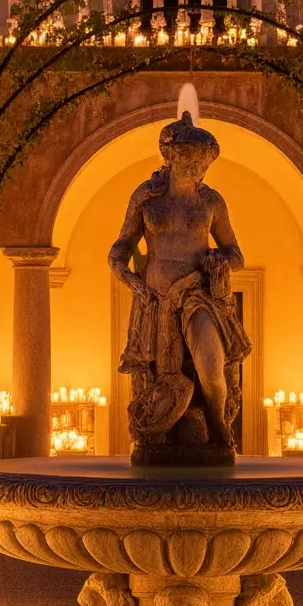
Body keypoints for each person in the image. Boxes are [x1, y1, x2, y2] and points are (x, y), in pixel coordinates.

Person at [109, 115, 250, 461]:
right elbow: (120, 248)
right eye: (190, 157)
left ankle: (218, 426)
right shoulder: (146, 198)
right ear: (171, 156)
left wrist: (221, 262)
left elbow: (236, 253)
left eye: (204, 160)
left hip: (196, 294)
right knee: (155, 373)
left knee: (210, 363)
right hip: (155, 299)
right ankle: (154, 433)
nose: (197, 166)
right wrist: (127, 277)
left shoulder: (211, 201)